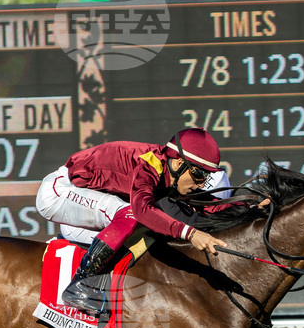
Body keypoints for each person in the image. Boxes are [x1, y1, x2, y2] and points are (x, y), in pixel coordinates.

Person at [35, 127, 232, 314]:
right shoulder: (149, 164)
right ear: (180, 163)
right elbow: (142, 210)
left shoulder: (168, 170)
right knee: (130, 213)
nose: (200, 184)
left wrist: (253, 206)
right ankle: (79, 286)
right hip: (58, 193)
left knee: (140, 229)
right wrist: (190, 233)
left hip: (80, 206)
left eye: (206, 177)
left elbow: (204, 203)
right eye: (199, 174)